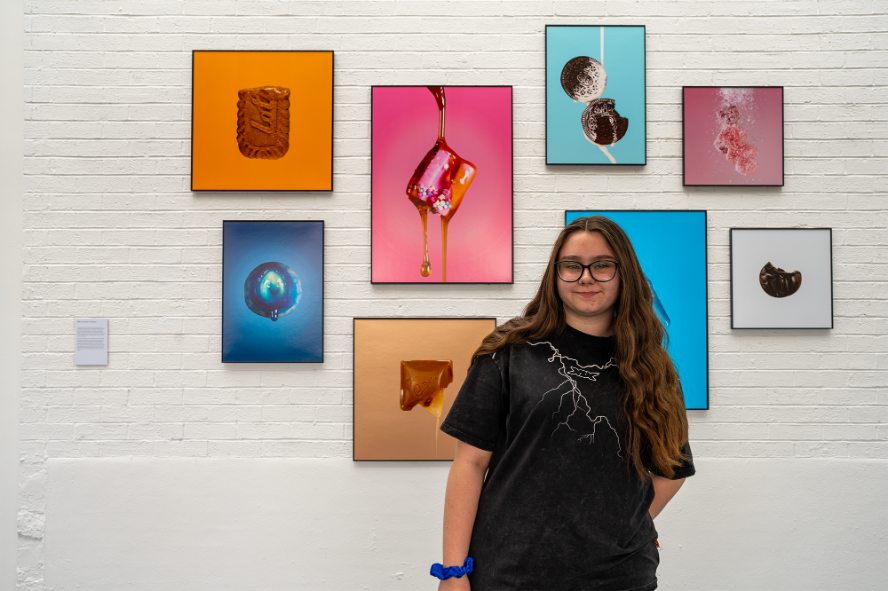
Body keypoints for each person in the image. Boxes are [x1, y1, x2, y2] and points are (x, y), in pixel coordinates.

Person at [434, 216, 695, 591]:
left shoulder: (652, 367)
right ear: (555, 276)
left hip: (619, 578)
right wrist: (453, 572)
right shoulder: (509, 351)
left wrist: (629, 524)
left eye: (602, 265)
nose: (586, 277)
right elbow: (470, 463)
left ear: (625, 276)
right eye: (572, 266)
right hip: (510, 573)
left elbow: (672, 469)